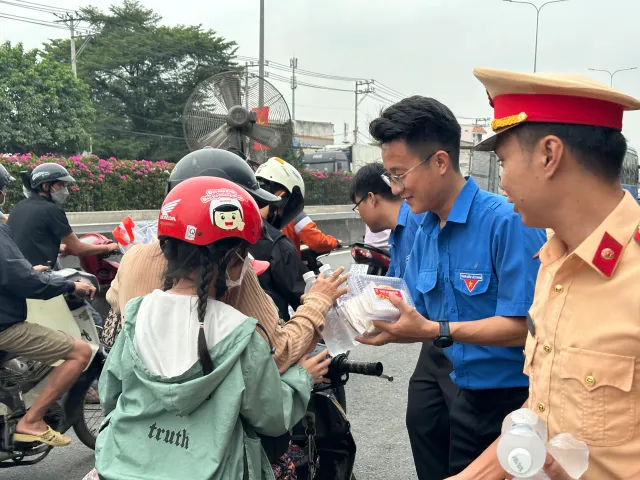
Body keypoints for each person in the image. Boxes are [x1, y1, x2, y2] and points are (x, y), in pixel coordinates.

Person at [448, 69, 640, 480]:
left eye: (503, 162)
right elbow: (542, 413)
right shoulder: (553, 262)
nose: (501, 184)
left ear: (549, 155)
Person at [358, 95, 547, 478]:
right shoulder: (424, 228)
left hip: (512, 402)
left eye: (399, 174)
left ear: (441, 162)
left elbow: (526, 330)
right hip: (463, 395)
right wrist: (377, 322)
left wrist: (434, 330)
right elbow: (415, 308)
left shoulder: (505, 223)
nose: (396, 189)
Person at [93, 176, 330, 480]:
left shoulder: (137, 315)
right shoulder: (241, 334)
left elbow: (110, 394)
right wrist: (301, 379)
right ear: (235, 259)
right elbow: (271, 418)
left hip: (121, 467)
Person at [106, 147, 346, 372]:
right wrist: (317, 302)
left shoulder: (133, 257)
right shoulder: (231, 270)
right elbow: (276, 354)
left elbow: (114, 299)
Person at [0, 165, 95, 447]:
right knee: (80, 351)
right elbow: (20, 278)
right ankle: (32, 421)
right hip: (4, 323)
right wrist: (70, 285)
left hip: (24, 280)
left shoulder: (17, 211)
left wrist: (28, 269)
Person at [9, 163, 120, 268]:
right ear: (45, 186)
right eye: (60, 185)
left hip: (19, 272)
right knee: (86, 286)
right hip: (38, 276)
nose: (64, 190)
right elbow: (77, 248)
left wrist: (59, 248)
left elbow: (30, 241)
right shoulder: (51, 210)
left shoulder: (19, 206)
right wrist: (108, 247)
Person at [252, 157, 315, 320]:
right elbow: (305, 299)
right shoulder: (277, 244)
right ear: (281, 197)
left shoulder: (229, 232)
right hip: (271, 335)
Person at [349, 161, 426, 278]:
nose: (360, 215)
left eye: (358, 207)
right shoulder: (396, 235)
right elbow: (393, 281)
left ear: (371, 198)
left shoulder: (419, 221)